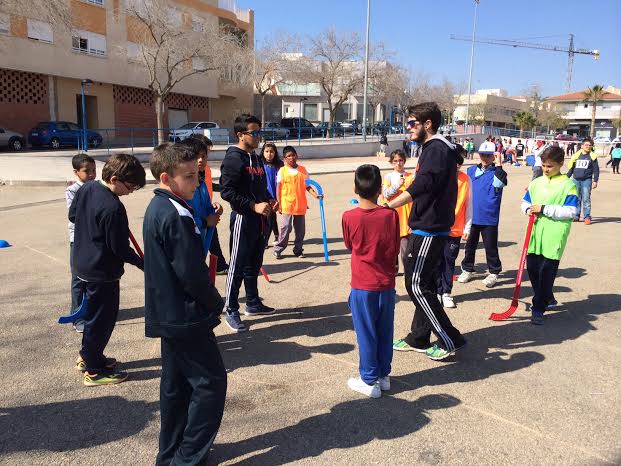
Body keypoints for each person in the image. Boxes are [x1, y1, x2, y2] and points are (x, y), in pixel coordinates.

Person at [143, 143, 227, 465]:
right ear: (167, 177)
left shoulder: (160, 208)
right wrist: (214, 301)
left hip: (170, 314)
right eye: (190, 177)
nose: (196, 183)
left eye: (199, 175)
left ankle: (171, 455)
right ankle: (187, 457)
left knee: (176, 388)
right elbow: (190, 273)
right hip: (185, 316)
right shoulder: (175, 214)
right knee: (210, 384)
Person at [386, 102, 467, 361]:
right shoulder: (434, 149)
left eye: (412, 123)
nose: (407, 128)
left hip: (430, 229)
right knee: (426, 282)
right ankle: (419, 336)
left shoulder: (436, 149)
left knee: (416, 284)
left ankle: (448, 337)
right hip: (428, 225)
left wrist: (389, 205)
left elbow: (423, 185)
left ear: (427, 124)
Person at [69, 153, 145, 386]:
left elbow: (72, 215)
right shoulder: (113, 208)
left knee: (93, 317)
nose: (130, 192)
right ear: (114, 179)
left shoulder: (87, 187)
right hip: (102, 272)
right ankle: (93, 371)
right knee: (102, 320)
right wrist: (146, 264)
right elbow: (120, 248)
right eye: (130, 187)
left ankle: (88, 356)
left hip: (83, 262)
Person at [342, 164, 400, 398]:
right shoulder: (390, 215)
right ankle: (383, 374)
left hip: (363, 283)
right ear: (379, 189)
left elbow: (349, 245)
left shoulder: (349, 216)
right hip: (386, 282)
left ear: (356, 188)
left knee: (366, 332)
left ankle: (369, 379)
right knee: (385, 329)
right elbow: (395, 246)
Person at [219, 114, 276, 332]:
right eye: (255, 133)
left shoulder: (257, 158)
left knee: (254, 263)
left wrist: (269, 200)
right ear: (241, 135)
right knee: (238, 265)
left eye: (260, 132)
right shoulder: (234, 159)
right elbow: (227, 192)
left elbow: (259, 187)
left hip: (260, 219)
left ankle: (252, 303)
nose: (259, 136)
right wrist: (252, 206)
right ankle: (231, 308)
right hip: (244, 218)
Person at [521, 146, 578, 325]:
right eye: (544, 165)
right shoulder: (536, 182)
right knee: (532, 268)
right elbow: (525, 202)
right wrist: (528, 209)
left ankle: (538, 307)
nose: (546, 169)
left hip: (554, 234)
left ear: (560, 164)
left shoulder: (569, 185)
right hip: (535, 233)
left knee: (546, 272)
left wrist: (544, 209)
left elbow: (571, 211)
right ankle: (549, 297)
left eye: (550, 166)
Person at [458, 149, 508, 288]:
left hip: (489, 216)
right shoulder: (471, 170)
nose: (485, 157)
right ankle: (467, 269)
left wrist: (499, 164)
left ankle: (494, 272)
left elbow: (499, 184)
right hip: (472, 216)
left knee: (490, 247)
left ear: (494, 156)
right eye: (482, 154)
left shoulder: (499, 173)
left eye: (488, 155)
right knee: (470, 246)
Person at [189, 134, 229, 274]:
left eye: (205, 154)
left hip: (206, 211)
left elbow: (208, 187)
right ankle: (219, 265)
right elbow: (185, 217)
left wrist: (211, 207)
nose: (202, 159)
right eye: (198, 154)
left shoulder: (204, 174)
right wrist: (205, 221)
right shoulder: (184, 186)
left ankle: (219, 265)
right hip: (200, 223)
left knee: (212, 241)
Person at [65, 153, 96, 333]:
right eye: (87, 171)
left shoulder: (97, 187)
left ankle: (91, 310)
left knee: (92, 277)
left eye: (93, 170)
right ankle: (77, 316)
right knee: (78, 279)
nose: (91, 174)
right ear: (77, 172)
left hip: (94, 238)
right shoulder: (72, 190)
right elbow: (75, 215)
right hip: (77, 240)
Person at [437, 148, 472, 308]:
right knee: (437, 261)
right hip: (437, 228)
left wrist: (467, 227)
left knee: (449, 261)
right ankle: (437, 291)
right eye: (454, 163)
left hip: (456, 229)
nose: (457, 166)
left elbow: (469, 205)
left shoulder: (465, 179)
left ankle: (446, 292)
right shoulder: (440, 176)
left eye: (459, 164)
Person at [178, 138, 223, 257]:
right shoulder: (181, 187)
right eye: (195, 156)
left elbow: (206, 206)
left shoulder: (201, 183)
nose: (200, 160)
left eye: (203, 156)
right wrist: (205, 222)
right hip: (186, 249)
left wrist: (213, 209)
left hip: (201, 244)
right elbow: (181, 220)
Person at [273, 146, 320, 259]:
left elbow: (307, 186)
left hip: (300, 205)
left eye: (293, 155)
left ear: (297, 155)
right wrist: (278, 202)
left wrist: (316, 195)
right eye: (288, 156)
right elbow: (278, 188)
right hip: (287, 204)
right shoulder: (282, 171)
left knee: (300, 230)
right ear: (284, 159)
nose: (291, 158)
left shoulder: (303, 170)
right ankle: (279, 248)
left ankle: (298, 250)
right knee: (286, 227)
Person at [382, 149, 414, 272]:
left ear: (404, 161)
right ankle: (393, 269)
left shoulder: (410, 176)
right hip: (392, 215)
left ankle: (408, 270)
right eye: (395, 161)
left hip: (406, 216)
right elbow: (386, 194)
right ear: (391, 162)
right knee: (391, 245)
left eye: (400, 160)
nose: (398, 163)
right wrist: (397, 186)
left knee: (405, 247)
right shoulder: (389, 177)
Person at [566, 137, 599, 224]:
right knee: (577, 198)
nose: (588, 146)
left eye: (590, 145)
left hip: (586, 180)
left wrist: (595, 180)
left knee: (586, 199)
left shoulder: (593, 157)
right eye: (586, 145)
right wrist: (566, 178)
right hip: (576, 180)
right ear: (582, 146)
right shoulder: (576, 156)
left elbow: (596, 169)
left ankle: (587, 217)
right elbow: (572, 168)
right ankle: (576, 216)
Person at [261, 142, 284, 247]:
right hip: (264, 195)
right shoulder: (260, 164)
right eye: (267, 151)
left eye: (271, 152)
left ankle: (267, 240)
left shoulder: (279, 165)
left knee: (271, 217)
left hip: (276, 195)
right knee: (270, 217)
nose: (269, 154)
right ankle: (273, 236)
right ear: (263, 152)